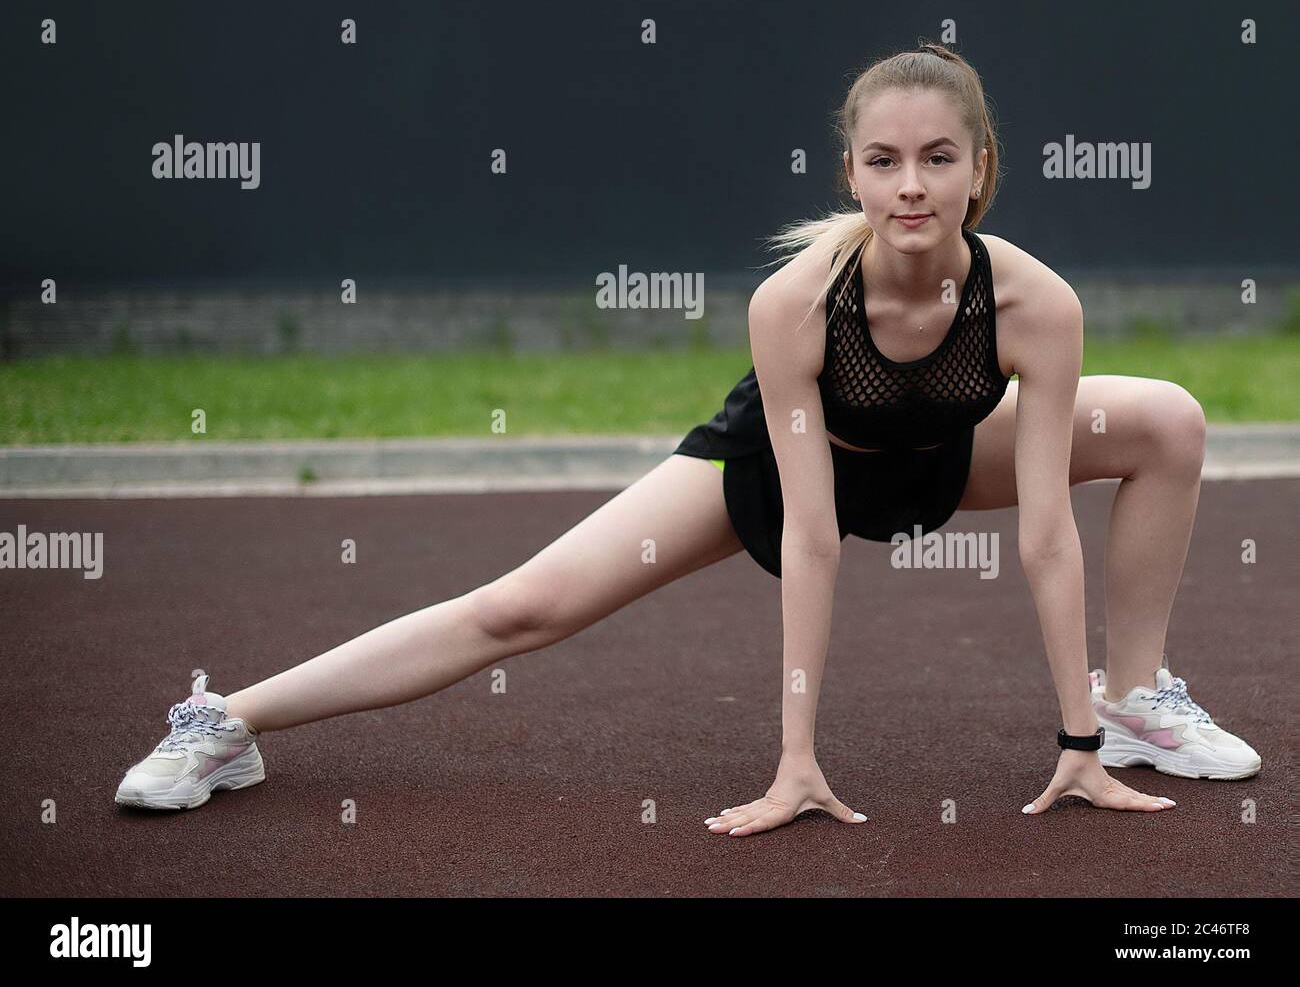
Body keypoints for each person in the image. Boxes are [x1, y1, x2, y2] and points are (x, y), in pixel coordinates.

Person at [114, 42, 1262, 833]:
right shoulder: (795, 303)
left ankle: (1130, 707)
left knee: (1166, 416)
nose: (910, 186)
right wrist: (795, 759)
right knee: (523, 606)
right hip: (775, 473)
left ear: (981, 167)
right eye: (882, 160)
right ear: (850, 170)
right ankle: (229, 721)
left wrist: (1068, 736)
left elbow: (1050, 535)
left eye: (937, 159)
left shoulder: (1035, 304)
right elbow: (812, 539)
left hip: (946, 453)